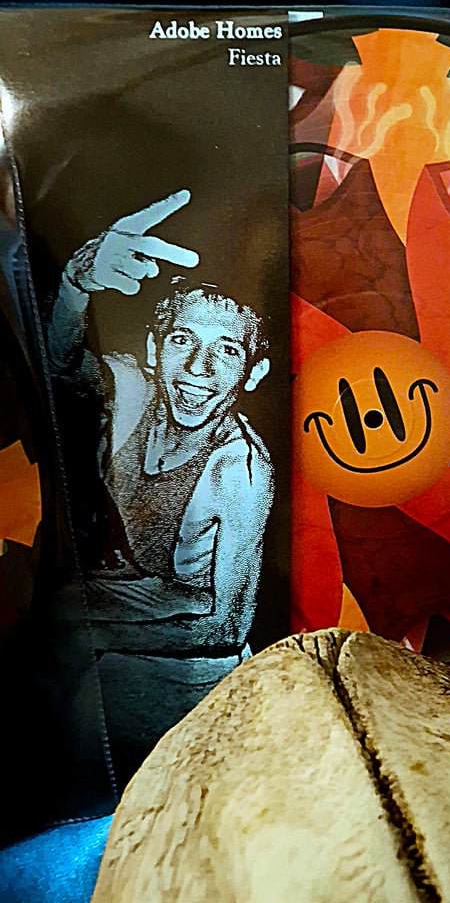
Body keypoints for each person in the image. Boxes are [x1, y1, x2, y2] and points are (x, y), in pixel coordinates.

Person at [46, 189, 275, 779]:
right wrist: (75, 286)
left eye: (226, 351)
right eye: (182, 341)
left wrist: (85, 629)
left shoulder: (239, 471)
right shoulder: (131, 391)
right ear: (153, 350)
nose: (199, 369)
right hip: (120, 616)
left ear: (252, 374)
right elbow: (57, 366)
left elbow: (226, 625)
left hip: (191, 669)